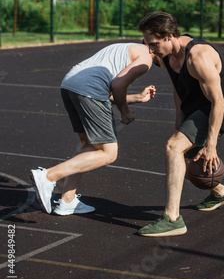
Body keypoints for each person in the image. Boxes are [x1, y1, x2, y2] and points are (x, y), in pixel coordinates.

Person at [137, 12, 224, 237]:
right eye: (147, 43)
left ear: (170, 36)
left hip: (218, 107)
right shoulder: (167, 57)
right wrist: (179, 127)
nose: (150, 49)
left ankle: (172, 219)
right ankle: (221, 192)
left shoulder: (198, 57)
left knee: (173, 148)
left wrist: (210, 146)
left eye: (153, 44)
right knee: (181, 159)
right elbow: (178, 92)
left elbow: (219, 101)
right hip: (195, 107)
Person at [30, 42, 156, 216]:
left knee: (88, 145)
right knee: (108, 153)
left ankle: (67, 200)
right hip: (89, 88)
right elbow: (116, 86)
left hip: (70, 84)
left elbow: (103, 94)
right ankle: (48, 176)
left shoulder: (124, 47)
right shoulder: (147, 57)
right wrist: (125, 111)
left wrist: (137, 98)